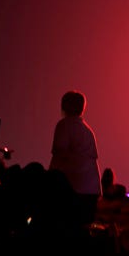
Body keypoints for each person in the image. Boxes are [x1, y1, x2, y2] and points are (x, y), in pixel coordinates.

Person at [49, 90, 101, 226]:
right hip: (90, 194)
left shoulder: (63, 126)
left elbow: (58, 158)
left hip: (72, 193)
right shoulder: (88, 131)